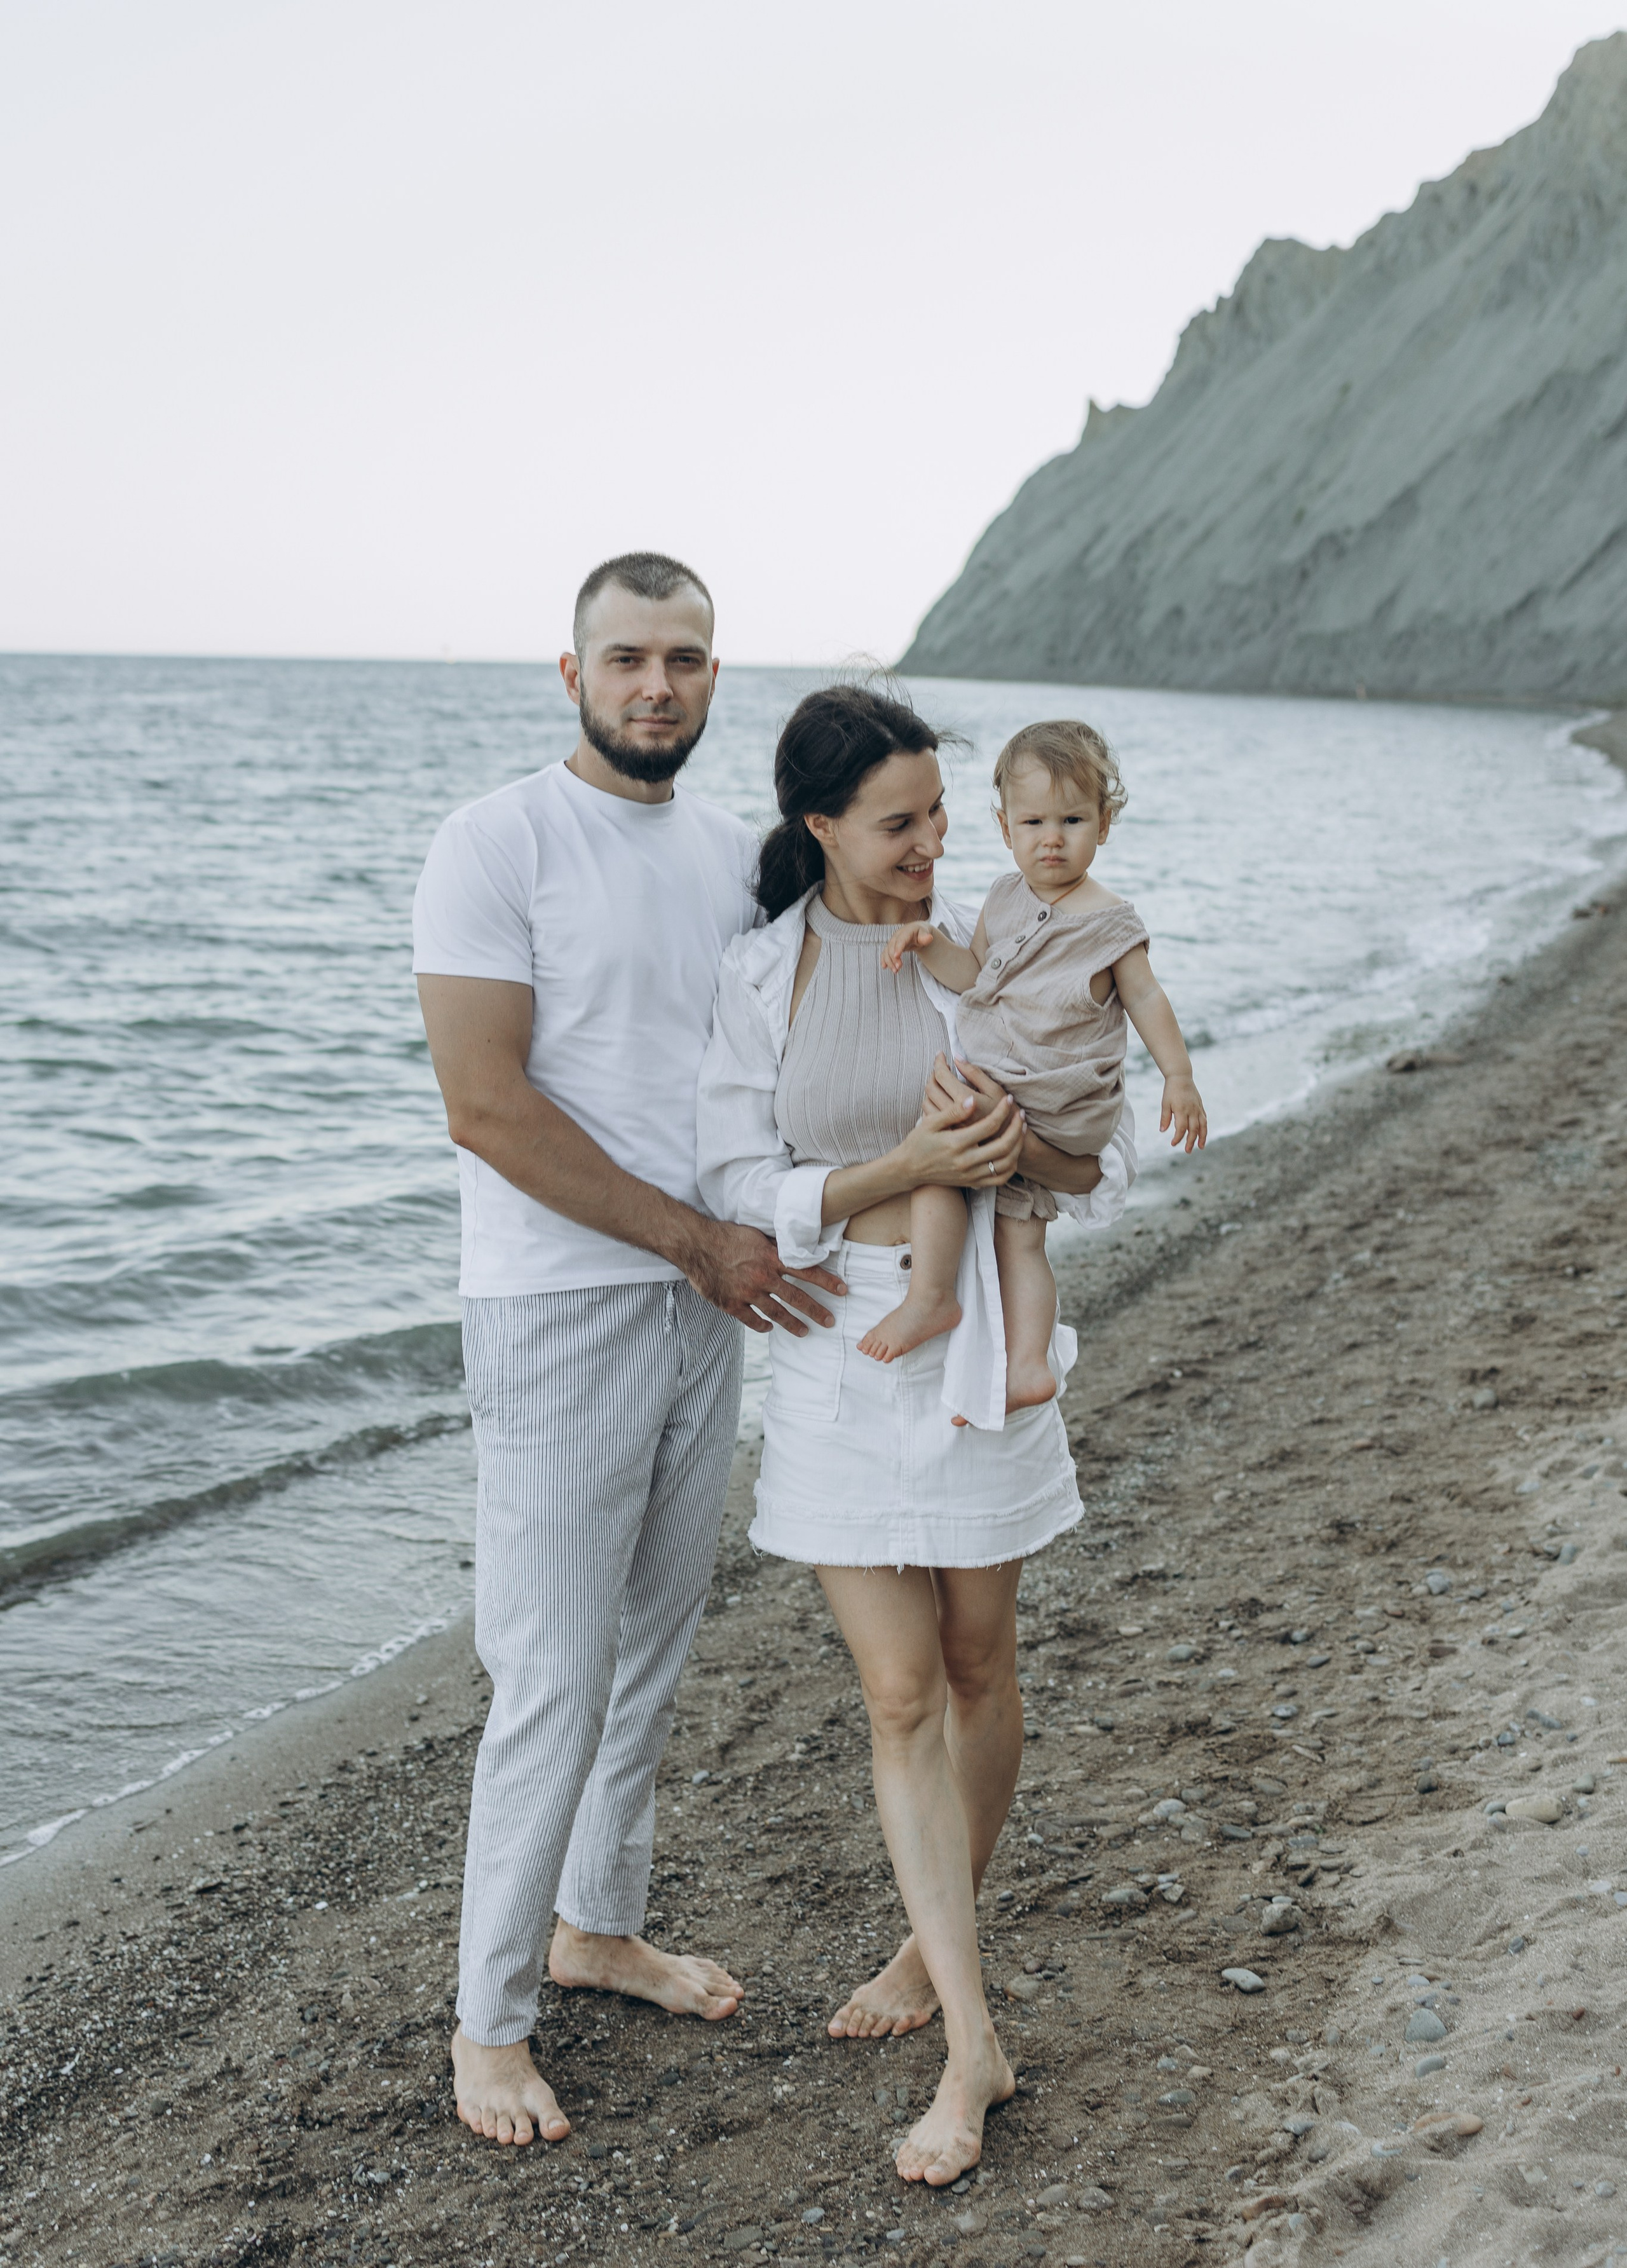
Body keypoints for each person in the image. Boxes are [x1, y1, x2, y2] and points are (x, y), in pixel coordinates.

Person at [412, 552, 841, 2149]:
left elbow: (830, 991)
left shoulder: (734, 858)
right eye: (626, 656)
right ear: (569, 670)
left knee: (648, 1654)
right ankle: (487, 2023)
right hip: (560, 1303)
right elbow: (485, 1103)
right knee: (550, 1672)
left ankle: (594, 1926)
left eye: (684, 657)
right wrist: (695, 1241)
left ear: (716, 677)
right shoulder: (496, 841)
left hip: (700, 1299)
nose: (654, 683)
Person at [695, 682, 1136, 2187]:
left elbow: (1104, 1154)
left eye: (943, 816)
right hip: (834, 1347)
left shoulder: (1008, 942)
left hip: (981, 1343)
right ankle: (970, 2039)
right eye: (900, 823)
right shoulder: (760, 975)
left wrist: (1029, 1152)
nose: (935, 845)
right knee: (896, 1695)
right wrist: (888, 1166)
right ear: (819, 826)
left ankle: (920, 1947)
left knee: (974, 1665)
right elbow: (735, 1178)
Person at [866, 718, 1206, 1407]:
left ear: (1103, 825)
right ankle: (1027, 1366)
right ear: (1003, 828)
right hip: (1027, 1097)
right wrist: (929, 944)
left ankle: (929, 1297)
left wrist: (1178, 1077)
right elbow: (974, 976)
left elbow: (1146, 999)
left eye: (1072, 819)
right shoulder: (1003, 898)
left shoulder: (1109, 921)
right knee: (1019, 1237)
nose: (1052, 839)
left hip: (1058, 1099)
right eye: (1033, 822)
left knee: (933, 1141)